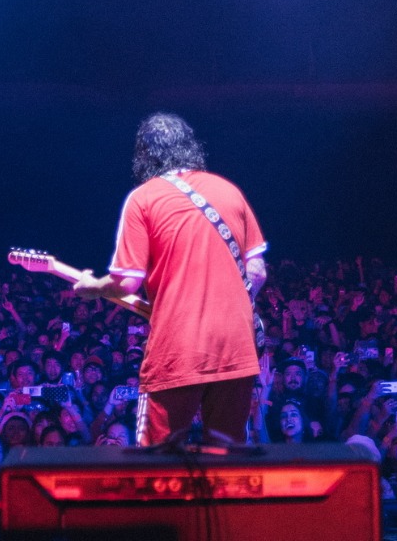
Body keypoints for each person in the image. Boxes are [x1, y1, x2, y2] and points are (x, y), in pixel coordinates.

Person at [73, 113, 268, 446]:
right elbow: (258, 271)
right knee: (228, 461)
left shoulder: (143, 198)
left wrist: (95, 288)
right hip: (237, 348)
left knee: (156, 463)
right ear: (190, 146)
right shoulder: (229, 190)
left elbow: (127, 283)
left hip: (178, 349)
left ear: (144, 154)